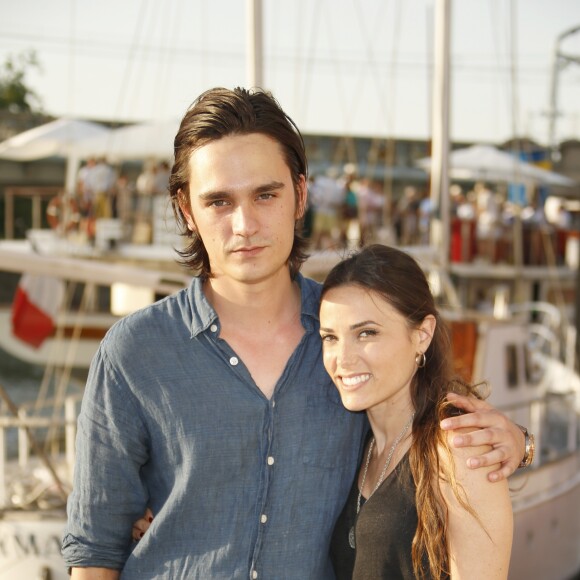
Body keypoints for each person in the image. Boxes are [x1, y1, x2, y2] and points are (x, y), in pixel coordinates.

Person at [62, 87, 526, 579]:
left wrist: (518, 441)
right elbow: (94, 546)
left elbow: (425, 420)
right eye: (219, 201)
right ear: (185, 211)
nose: (245, 225)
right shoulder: (134, 352)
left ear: (300, 195)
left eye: (265, 194)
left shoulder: (348, 343)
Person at [321, 244, 513, 579]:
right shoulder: (358, 442)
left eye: (366, 333)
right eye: (330, 338)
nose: (343, 359)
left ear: (422, 335)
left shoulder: (457, 452)